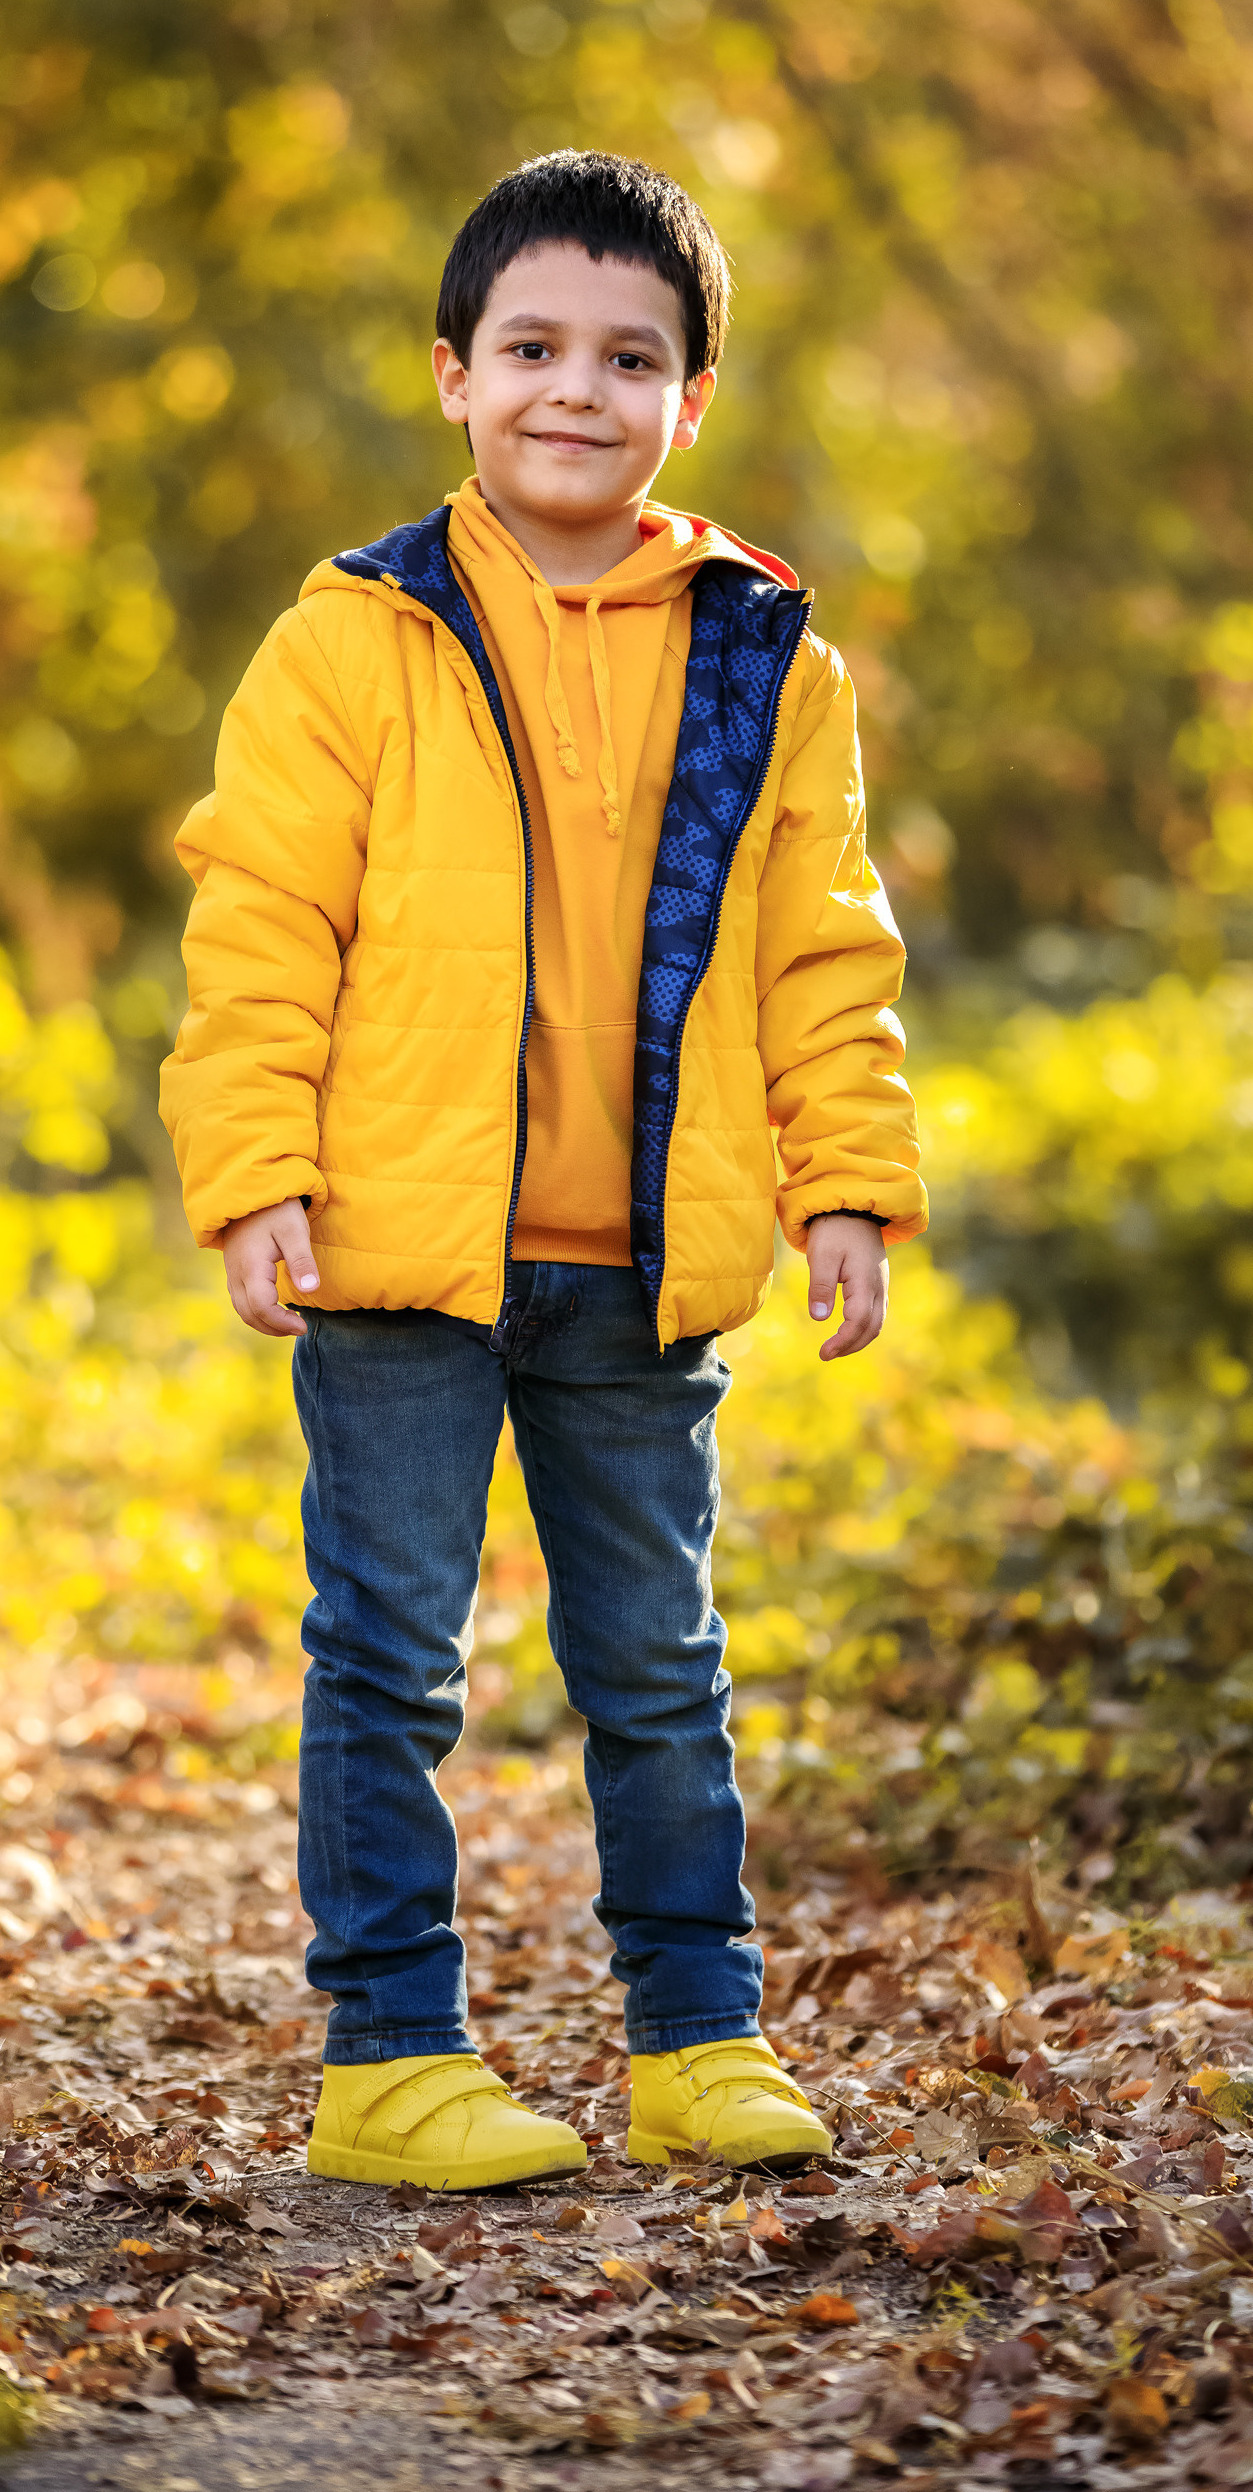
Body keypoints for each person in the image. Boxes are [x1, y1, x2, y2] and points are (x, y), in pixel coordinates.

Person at [161, 150, 925, 2191]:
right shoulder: (353, 639)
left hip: (640, 1257)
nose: (572, 389)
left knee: (658, 1665)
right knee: (392, 1654)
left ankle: (695, 2033)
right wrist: (252, 1170)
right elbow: (259, 926)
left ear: (689, 399)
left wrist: (843, 1178)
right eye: (530, 348)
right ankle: (393, 2058)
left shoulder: (766, 657)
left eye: (627, 356)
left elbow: (820, 943)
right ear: (450, 373)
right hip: (403, 1253)